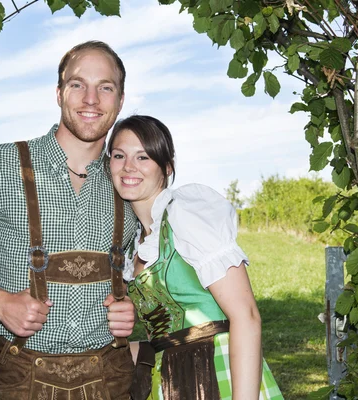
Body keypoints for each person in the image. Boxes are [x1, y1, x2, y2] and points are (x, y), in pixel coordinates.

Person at [0, 41, 138, 400]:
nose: (91, 99)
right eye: (77, 84)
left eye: (105, 87)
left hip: (111, 377)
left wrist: (127, 302)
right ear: (58, 93)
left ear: (120, 99)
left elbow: (133, 269)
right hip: (22, 379)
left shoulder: (126, 181)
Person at [107, 115, 284, 400]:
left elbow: (247, 316)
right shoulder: (135, 243)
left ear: (166, 167)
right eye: (119, 155)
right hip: (170, 381)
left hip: (219, 372)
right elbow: (166, 338)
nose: (129, 166)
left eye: (143, 157)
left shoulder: (186, 213)